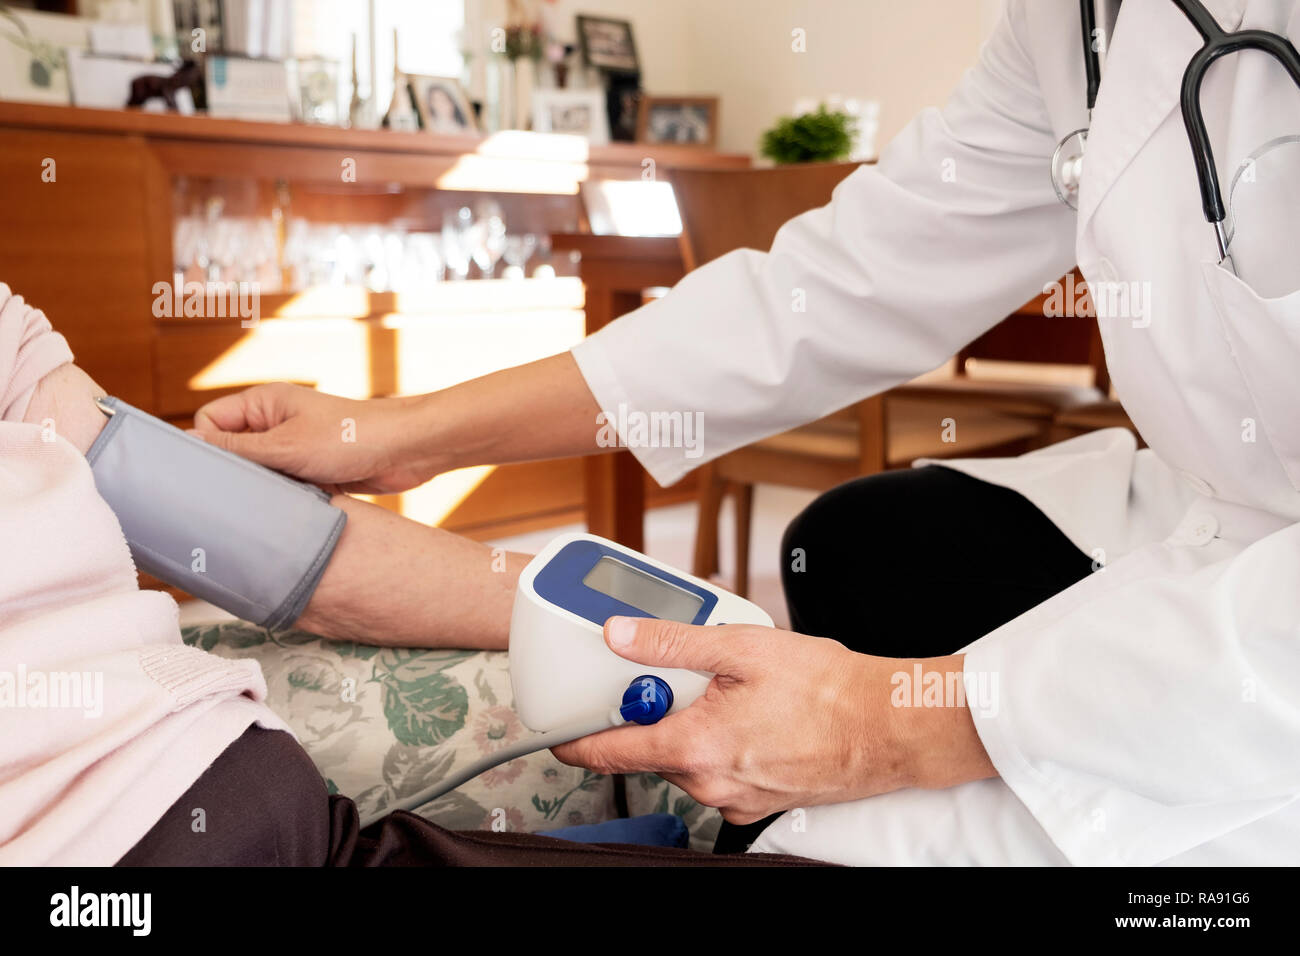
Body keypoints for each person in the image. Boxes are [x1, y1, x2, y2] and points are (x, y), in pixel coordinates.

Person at [194, 0, 1300, 866]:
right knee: (861, 542)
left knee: (812, 844)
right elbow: (832, 287)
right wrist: (404, 431)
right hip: (1211, 504)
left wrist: (884, 725)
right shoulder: (1070, 22)